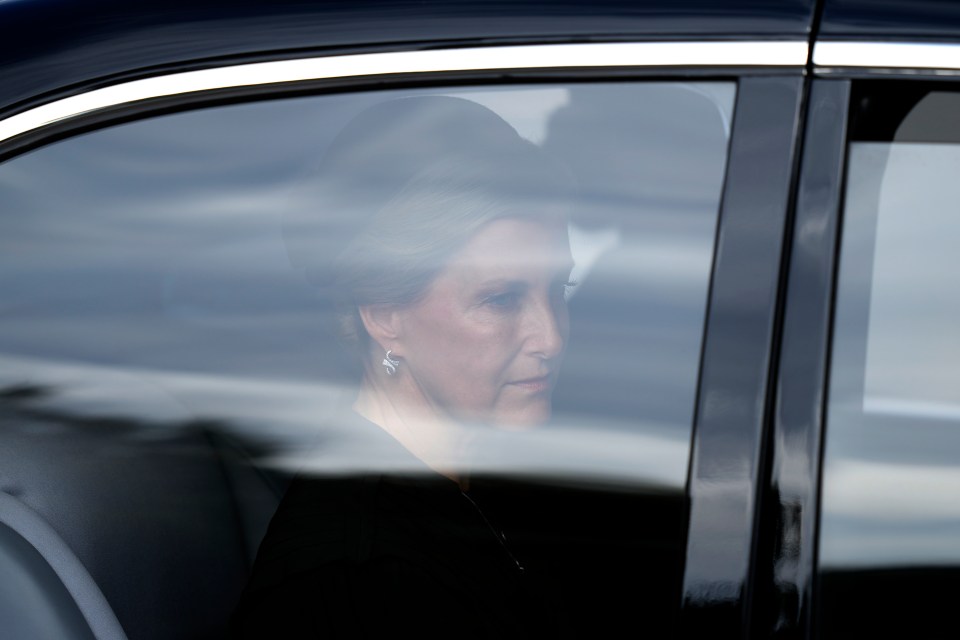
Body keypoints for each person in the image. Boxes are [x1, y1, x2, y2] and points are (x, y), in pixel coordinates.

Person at [231, 96, 576, 638]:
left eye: (559, 290)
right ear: (385, 315)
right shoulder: (363, 584)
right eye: (501, 300)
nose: (552, 337)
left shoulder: (491, 488)